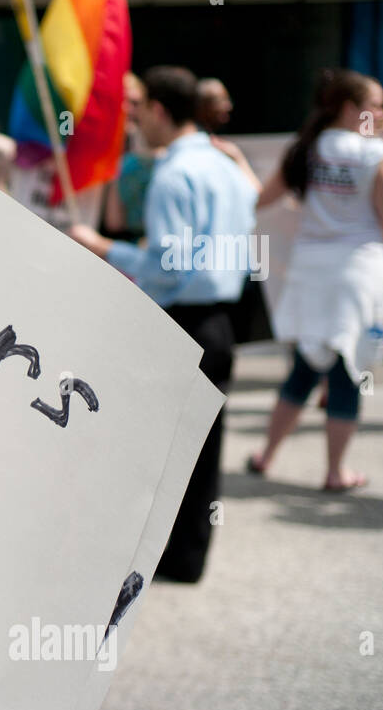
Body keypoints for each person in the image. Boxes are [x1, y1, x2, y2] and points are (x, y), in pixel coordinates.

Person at [68, 66, 258, 584]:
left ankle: (153, 557)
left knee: (160, 448)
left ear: (157, 109)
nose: (134, 120)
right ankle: (186, 557)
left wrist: (103, 247)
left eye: (139, 109)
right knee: (202, 447)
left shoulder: (174, 174)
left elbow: (169, 267)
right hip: (221, 317)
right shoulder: (226, 165)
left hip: (184, 321)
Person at [246, 69, 383, 491]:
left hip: (310, 270)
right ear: (351, 109)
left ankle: (266, 455)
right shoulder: (373, 152)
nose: (382, 113)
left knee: (306, 365)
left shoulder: (307, 147)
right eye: (376, 106)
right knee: (347, 369)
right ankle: (336, 471)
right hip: (357, 270)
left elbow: (262, 198)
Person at [103, 72, 156, 241]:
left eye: (136, 103)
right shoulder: (90, 141)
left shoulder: (147, 144)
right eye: (123, 100)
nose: (128, 109)